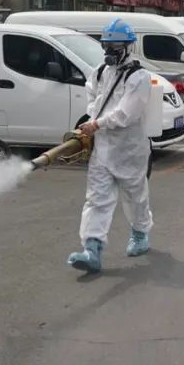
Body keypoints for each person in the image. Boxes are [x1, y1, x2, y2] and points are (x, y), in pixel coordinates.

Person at [67, 18, 155, 274]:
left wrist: (97, 124)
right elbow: (93, 100)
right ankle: (91, 250)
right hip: (103, 148)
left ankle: (140, 234)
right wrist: (92, 121)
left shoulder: (139, 77)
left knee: (135, 197)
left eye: (115, 45)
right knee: (97, 199)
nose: (110, 51)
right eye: (106, 45)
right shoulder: (99, 73)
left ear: (128, 46)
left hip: (130, 149)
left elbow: (128, 113)